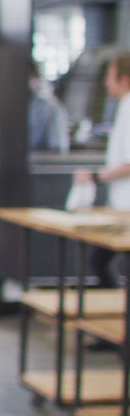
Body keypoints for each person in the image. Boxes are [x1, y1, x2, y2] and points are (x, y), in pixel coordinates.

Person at [75, 53, 130, 289]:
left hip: (126, 211)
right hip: (120, 207)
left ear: (125, 79)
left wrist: (95, 176)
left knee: (101, 261)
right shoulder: (123, 107)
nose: (106, 83)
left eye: (110, 77)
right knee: (100, 260)